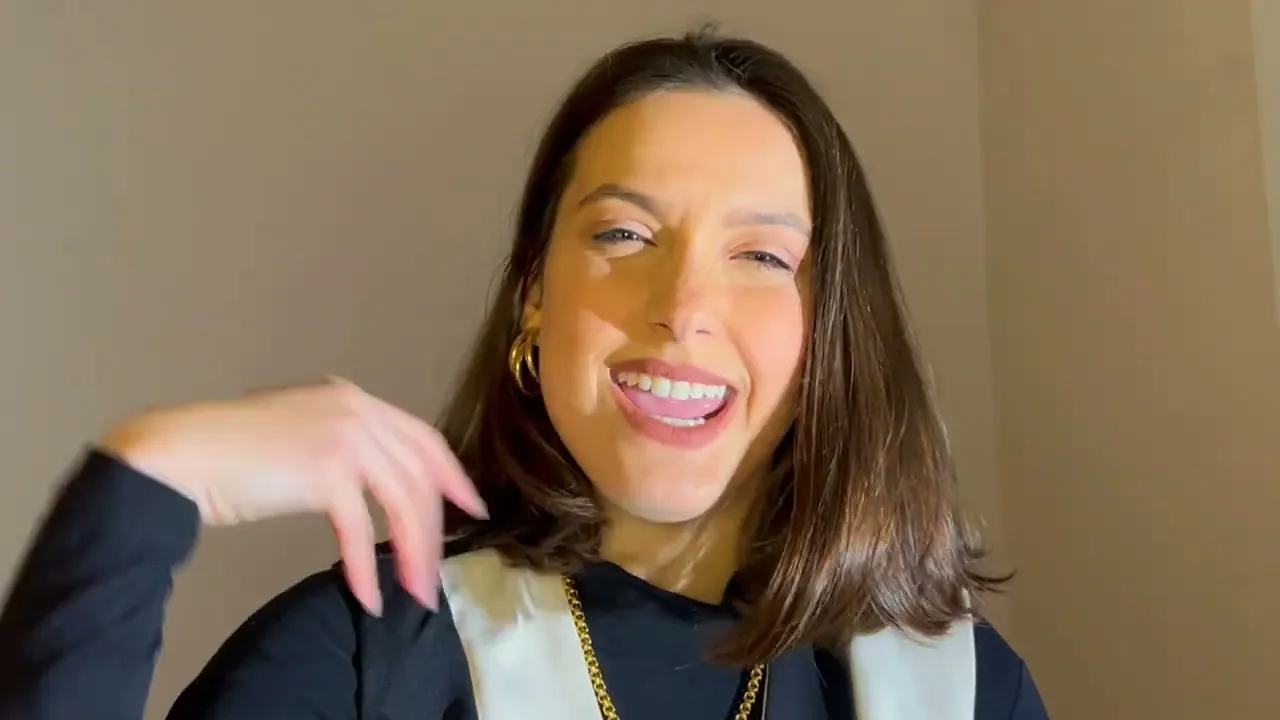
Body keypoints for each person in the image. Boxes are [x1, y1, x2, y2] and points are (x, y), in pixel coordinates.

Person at [0, 28, 1048, 720]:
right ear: (535, 293)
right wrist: (151, 480)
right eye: (625, 235)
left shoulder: (958, 689)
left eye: (762, 256)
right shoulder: (373, 659)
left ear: (830, 334)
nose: (684, 305)